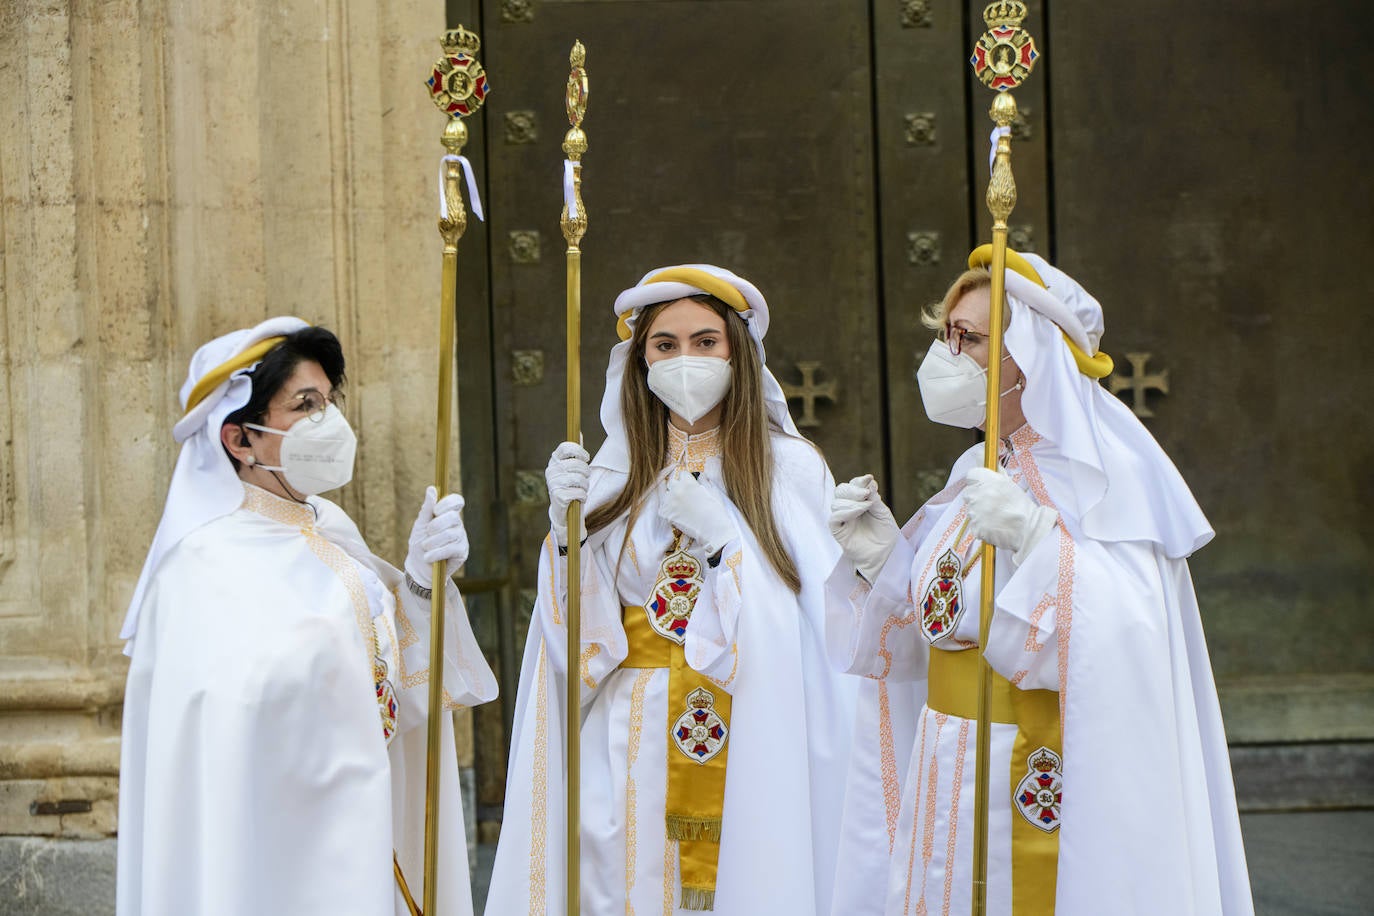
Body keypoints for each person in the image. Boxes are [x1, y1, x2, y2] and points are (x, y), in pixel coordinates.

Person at [826, 249, 1253, 915]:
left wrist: (1037, 543)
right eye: (947, 333)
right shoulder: (978, 468)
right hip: (948, 763)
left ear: (1035, 354)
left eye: (971, 338)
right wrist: (884, 563)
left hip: (1030, 766)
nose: (949, 353)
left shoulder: (1104, 476)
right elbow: (944, 628)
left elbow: (1129, 634)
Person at [486, 265, 857, 914]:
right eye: (665, 344)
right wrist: (569, 540)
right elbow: (577, 652)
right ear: (640, 360)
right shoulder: (611, 473)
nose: (685, 358)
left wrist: (728, 550)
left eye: (705, 342)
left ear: (737, 354)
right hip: (627, 735)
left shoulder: (790, 471)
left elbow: (822, 633)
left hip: (748, 729)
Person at [116, 318, 498, 916]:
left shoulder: (327, 527)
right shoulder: (198, 568)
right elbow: (238, 721)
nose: (330, 420)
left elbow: (389, 686)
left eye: (330, 401)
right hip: (274, 851)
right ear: (240, 439)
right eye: (305, 404)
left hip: (355, 825)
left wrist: (421, 581)